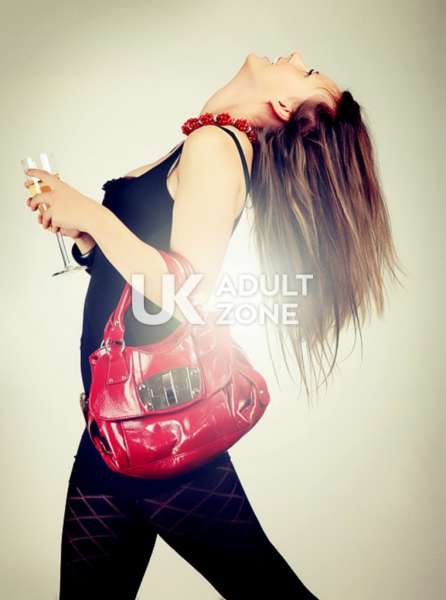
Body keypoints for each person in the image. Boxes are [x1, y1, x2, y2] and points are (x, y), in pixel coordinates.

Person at [25, 50, 403, 599]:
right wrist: (85, 237)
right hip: (116, 429)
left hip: (152, 428)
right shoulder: (209, 141)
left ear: (283, 104)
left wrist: (94, 216)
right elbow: (138, 268)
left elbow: (184, 296)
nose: (295, 56)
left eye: (305, 72)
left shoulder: (217, 148)